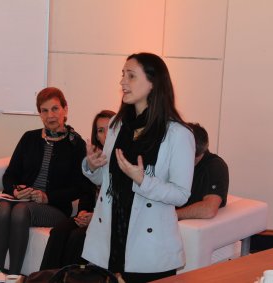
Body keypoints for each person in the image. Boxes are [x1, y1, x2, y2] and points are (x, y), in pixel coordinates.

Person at [82, 53, 195, 283]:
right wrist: (93, 167)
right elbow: (105, 182)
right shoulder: (117, 126)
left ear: (153, 83)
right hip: (111, 236)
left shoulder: (178, 135)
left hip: (149, 246)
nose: (123, 82)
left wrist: (143, 181)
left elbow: (181, 194)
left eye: (131, 76)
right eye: (122, 75)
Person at [0, 87, 93, 274]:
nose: (50, 115)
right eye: (44, 111)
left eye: (55, 109)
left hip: (55, 208)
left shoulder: (76, 145)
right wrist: (15, 190)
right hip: (24, 199)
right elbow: (10, 174)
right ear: (40, 114)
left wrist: (47, 197)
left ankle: (14, 276)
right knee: (2, 207)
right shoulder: (29, 138)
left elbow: (81, 187)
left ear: (65, 110)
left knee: (20, 211)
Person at [40, 110, 116, 270]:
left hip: (110, 221)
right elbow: (85, 190)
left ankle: (67, 279)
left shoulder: (123, 159)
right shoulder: (94, 157)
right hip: (90, 215)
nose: (105, 134)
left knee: (77, 237)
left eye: (110, 128)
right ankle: (46, 279)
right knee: (58, 231)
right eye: (100, 130)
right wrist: (83, 212)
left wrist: (94, 217)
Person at [176, 122, 229, 220]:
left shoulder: (215, 166)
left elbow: (209, 209)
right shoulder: (175, 162)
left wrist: (171, 216)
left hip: (177, 221)